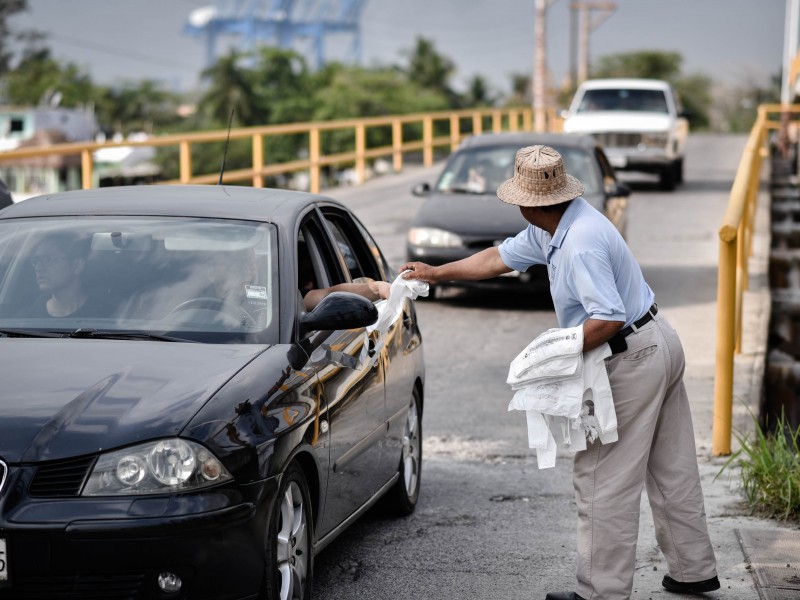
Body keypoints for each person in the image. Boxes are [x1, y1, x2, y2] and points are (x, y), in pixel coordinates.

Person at [400, 145, 719, 600]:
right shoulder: (558, 224)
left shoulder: (580, 242)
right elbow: (496, 259)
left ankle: (600, 592)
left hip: (631, 355)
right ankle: (694, 571)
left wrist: (555, 355)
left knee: (602, 476)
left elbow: (606, 318)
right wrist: (436, 272)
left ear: (527, 203)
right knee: (671, 467)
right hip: (657, 339)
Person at [28, 232, 95, 318]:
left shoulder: (106, 317)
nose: (38, 268)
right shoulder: (25, 320)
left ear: (77, 265)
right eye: (36, 260)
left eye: (47, 259)